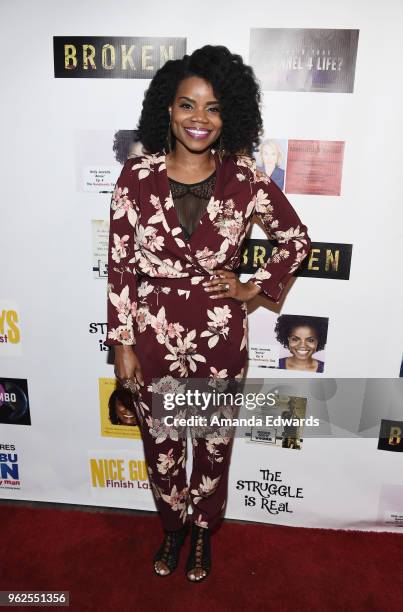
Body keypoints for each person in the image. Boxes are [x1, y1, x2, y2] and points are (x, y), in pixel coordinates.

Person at [105, 45, 311, 582]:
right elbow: (121, 265)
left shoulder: (245, 179)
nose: (200, 119)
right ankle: (172, 529)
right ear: (166, 111)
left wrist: (252, 288)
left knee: (213, 448)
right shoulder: (135, 177)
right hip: (151, 336)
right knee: (164, 448)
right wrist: (121, 341)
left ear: (230, 115)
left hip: (219, 338)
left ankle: (202, 533)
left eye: (213, 107)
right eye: (187, 105)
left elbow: (295, 241)